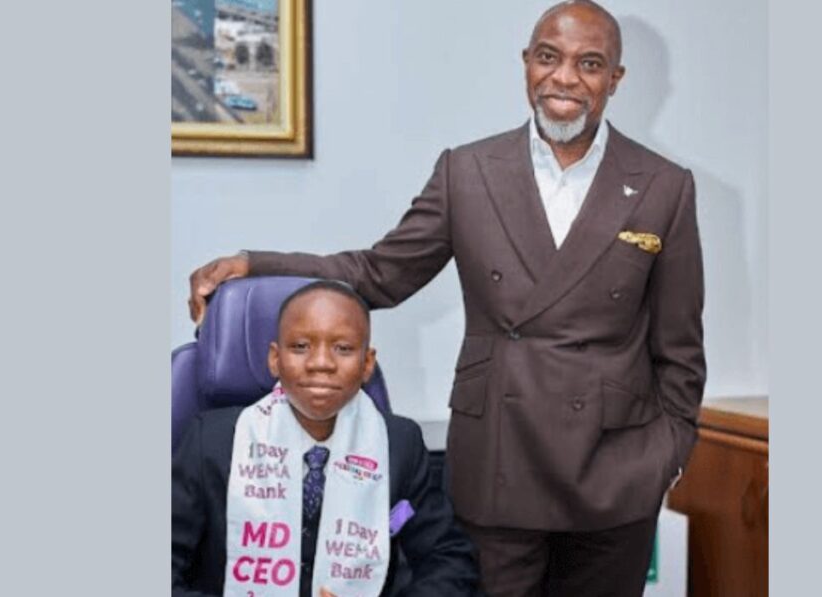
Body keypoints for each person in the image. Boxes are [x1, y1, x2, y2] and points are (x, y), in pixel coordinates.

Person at [188, 1, 705, 595]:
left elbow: (680, 349)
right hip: (499, 464)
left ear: (615, 79)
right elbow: (379, 273)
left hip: (614, 475)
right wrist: (255, 263)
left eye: (589, 64)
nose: (564, 77)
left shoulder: (664, 186)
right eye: (548, 57)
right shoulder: (468, 172)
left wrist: (665, 459)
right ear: (526, 64)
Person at [172, 281, 480, 597]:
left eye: (343, 348)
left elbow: (448, 560)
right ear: (275, 359)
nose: (321, 363)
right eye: (300, 346)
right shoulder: (212, 440)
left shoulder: (399, 444)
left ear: (367, 364)